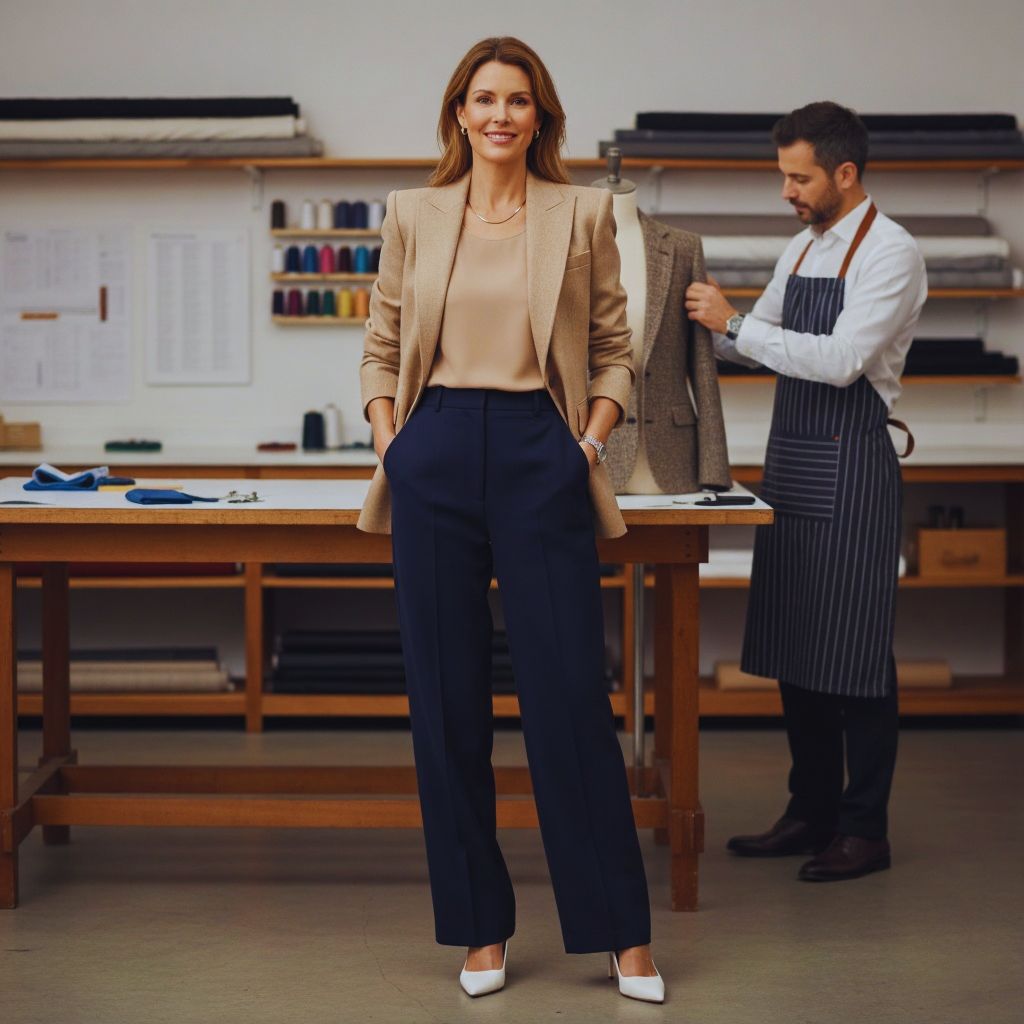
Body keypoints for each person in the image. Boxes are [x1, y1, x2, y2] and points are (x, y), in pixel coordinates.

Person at [358, 36, 663, 1002]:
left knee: (569, 696)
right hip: (435, 448)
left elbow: (615, 347)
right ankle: (479, 929)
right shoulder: (412, 212)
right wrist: (391, 441)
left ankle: (621, 934)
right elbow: (382, 341)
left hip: (542, 448)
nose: (500, 115)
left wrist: (588, 442)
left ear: (541, 118)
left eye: (518, 100)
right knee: (446, 703)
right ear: (459, 112)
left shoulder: (582, 214)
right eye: (484, 99)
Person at [685, 101, 926, 882]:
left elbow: (840, 360)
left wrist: (733, 323)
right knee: (800, 645)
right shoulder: (803, 246)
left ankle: (865, 830)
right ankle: (810, 812)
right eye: (784, 176)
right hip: (792, 460)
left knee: (856, 652)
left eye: (800, 178)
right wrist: (699, 322)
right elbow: (758, 345)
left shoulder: (891, 253)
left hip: (854, 463)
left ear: (844, 173)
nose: (786, 191)